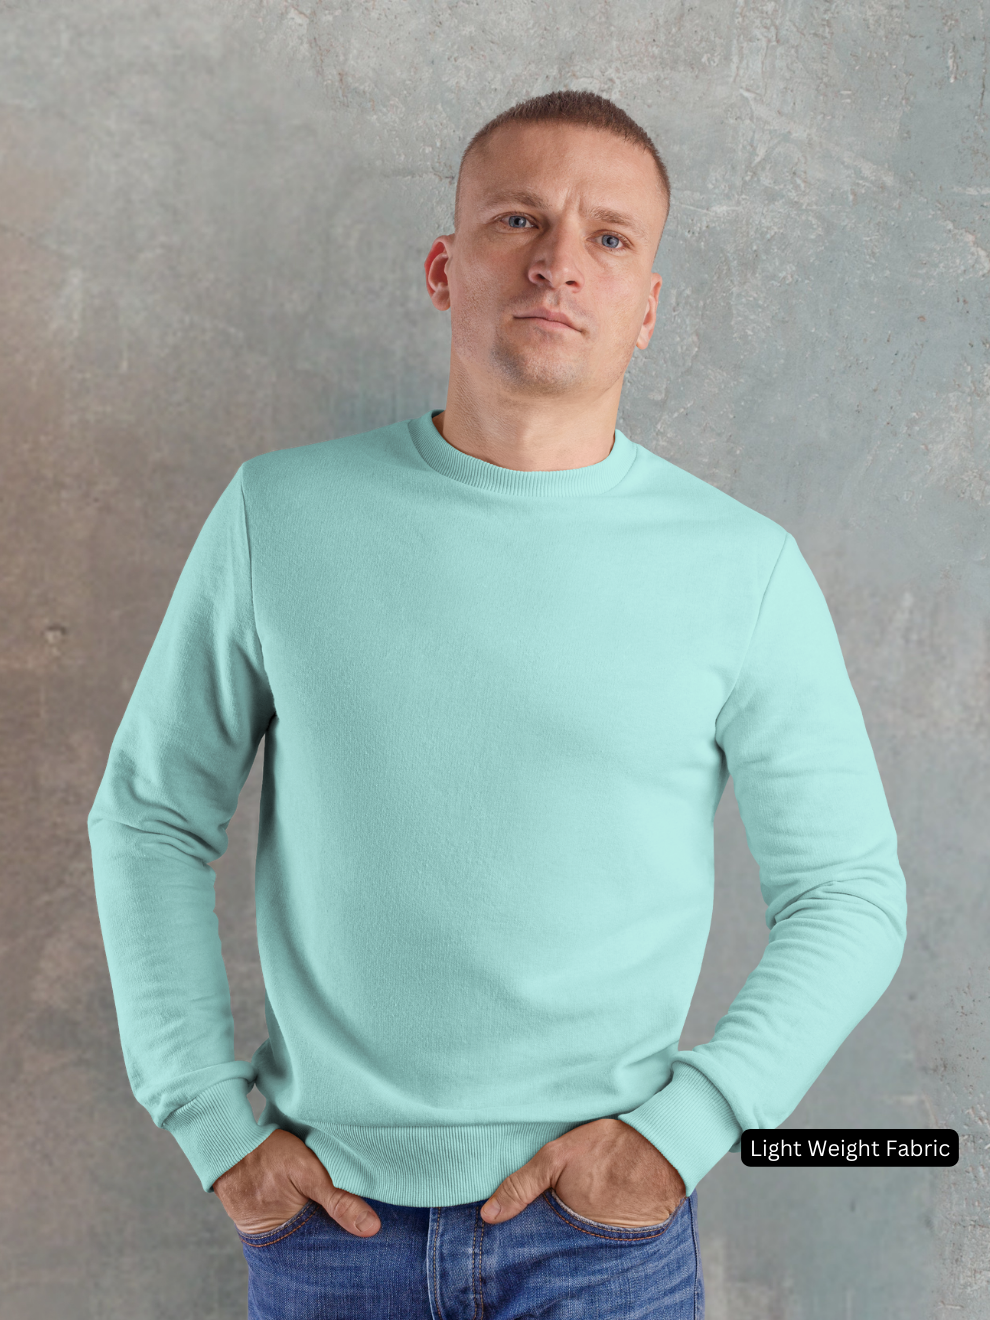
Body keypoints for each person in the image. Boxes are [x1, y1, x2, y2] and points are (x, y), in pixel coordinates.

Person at [88, 89, 907, 1319]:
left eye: (609, 237)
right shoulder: (277, 516)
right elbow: (150, 815)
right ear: (444, 267)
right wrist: (213, 1124)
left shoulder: (745, 569)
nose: (559, 261)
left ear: (647, 308)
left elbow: (849, 893)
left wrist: (688, 1128)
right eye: (519, 219)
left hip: (602, 1241)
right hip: (328, 1232)